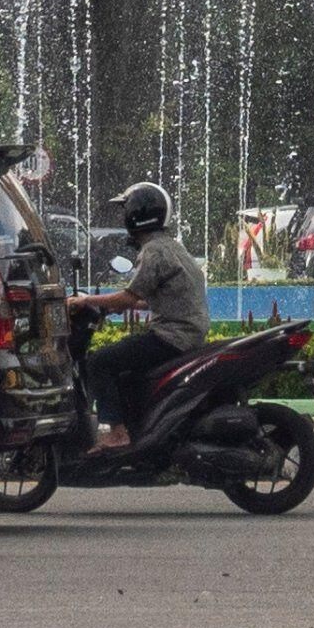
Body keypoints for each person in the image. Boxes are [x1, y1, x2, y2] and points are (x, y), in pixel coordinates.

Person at [73, 181, 209, 452]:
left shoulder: (154, 251)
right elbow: (158, 297)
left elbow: (127, 296)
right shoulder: (170, 246)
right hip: (187, 333)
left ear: (137, 214)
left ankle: (117, 433)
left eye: (126, 211)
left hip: (171, 337)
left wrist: (85, 300)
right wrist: (115, 306)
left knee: (99, 363)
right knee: (125, 371)